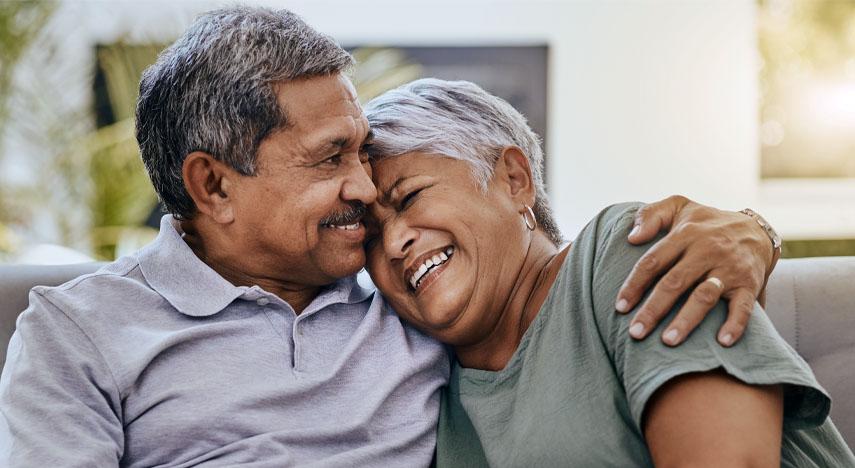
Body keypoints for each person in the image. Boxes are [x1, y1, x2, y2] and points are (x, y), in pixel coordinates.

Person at [0, 7, 780, 467]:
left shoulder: (412, 309)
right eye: (329, 158)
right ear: (212, 185)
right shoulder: (77, 335)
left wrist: (750, 229)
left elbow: (547, 294)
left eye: (365, 158)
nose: (364, 190)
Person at [362, 78, 855, 467]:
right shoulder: (423, 387)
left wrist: (759, 230)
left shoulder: (627, 249)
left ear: (514, 179)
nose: (393, 241)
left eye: (408, 198)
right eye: (369, 236)